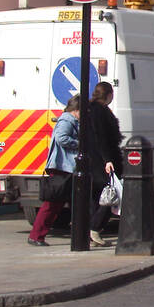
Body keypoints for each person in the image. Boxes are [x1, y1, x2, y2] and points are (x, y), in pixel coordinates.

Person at [28, 95, 80, 246]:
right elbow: (61, 138)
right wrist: (79, 143)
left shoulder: (71, 120)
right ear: (76, 110)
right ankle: (36, 235)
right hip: (62, 167)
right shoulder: (67, 120)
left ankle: (39, 235)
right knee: (52, 205)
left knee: (61, 204)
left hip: (66, 167)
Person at [87, 81, 122, 245]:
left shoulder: (91, 109)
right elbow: (101, 138)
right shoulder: (100, 112)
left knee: (97, 197)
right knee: (111, 195)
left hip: (93, 159)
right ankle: (95, 228)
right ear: (108, 95)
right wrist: (107, 160)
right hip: (102, 160)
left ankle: (93, 230)